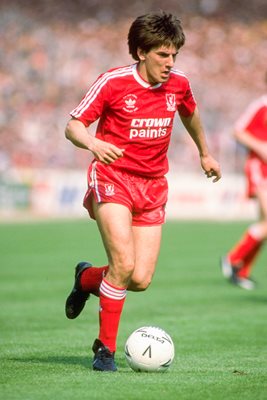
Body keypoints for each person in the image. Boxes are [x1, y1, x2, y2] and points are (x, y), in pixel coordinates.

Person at [64, 11, 221, 372]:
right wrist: (93, 143)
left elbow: (190, 114)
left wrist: (205, 152)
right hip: (113, 177)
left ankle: (86, 278)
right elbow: (73, 126)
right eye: (162, 55)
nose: (170, 63)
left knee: (140, 279)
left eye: (174, 55)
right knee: (123, 264)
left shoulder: (178, 84)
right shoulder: (113, 82)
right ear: (140, 52)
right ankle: (104, 350)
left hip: (153, 186)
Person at [220, 78, 267, 290]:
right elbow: (238, 130)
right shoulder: (261, 105)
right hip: (260, 167)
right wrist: (261, 147)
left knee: (265, 224)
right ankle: (232, 259)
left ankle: (241, 268)